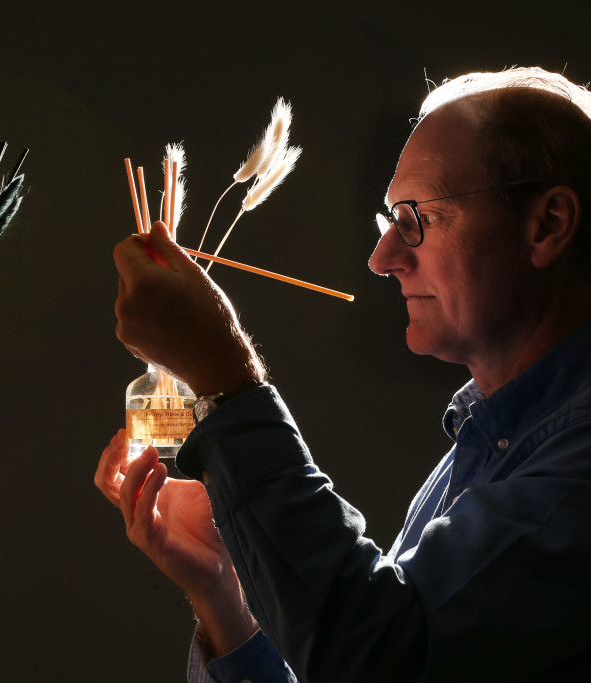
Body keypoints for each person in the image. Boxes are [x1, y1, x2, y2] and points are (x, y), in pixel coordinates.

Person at [96, 66, 591, 682]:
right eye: (389, 222)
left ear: (547, 224)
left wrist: (226, 377)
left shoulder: (575, 464)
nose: (383, 258)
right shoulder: (482, 446)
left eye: (416, 218)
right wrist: (225, 595)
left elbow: (379, 660)